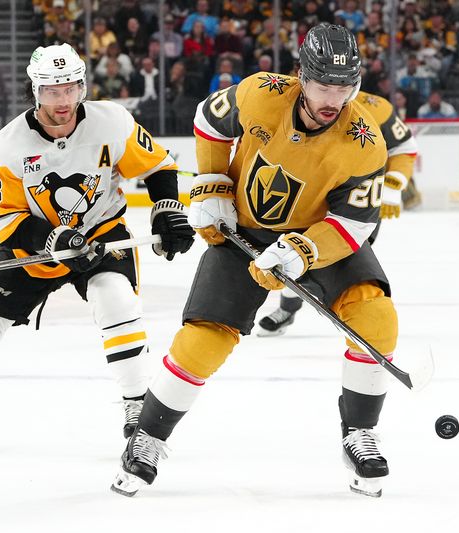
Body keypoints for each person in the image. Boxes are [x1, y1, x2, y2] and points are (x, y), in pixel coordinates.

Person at [112, 23, 397, 499]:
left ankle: (359, 433)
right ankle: (148, 438)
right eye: (324, 85)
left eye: (345, 88)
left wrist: (303, 251)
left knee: (375, 316)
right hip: (243, 229)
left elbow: (356, 225)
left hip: (322, 233)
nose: (333, 98)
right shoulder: (260, 92)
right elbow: (208, 120)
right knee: (204, 337)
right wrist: (211, 183)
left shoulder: (365, 142)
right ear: (302, 77)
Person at [0, 44, 194, 453]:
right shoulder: (7, 145)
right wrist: (51, 238)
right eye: (51, 91)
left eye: (70, 89)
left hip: (101, 232)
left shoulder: (112, 121)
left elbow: (158, 167)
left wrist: (166, 211)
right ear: (35, 91)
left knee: (116, 301)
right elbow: (4, 219)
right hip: (35, 249)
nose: (62, 102)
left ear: (82, 86)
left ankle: (137, 409)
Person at [258, 90, 419, 336]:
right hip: (308, 200)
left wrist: (394, 185)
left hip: (357, 202)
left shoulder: (375, 107)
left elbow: (405, 146)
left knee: (341, 260)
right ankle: (289, 309)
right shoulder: (289, 101)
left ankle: (353, 311)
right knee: (293, 254)